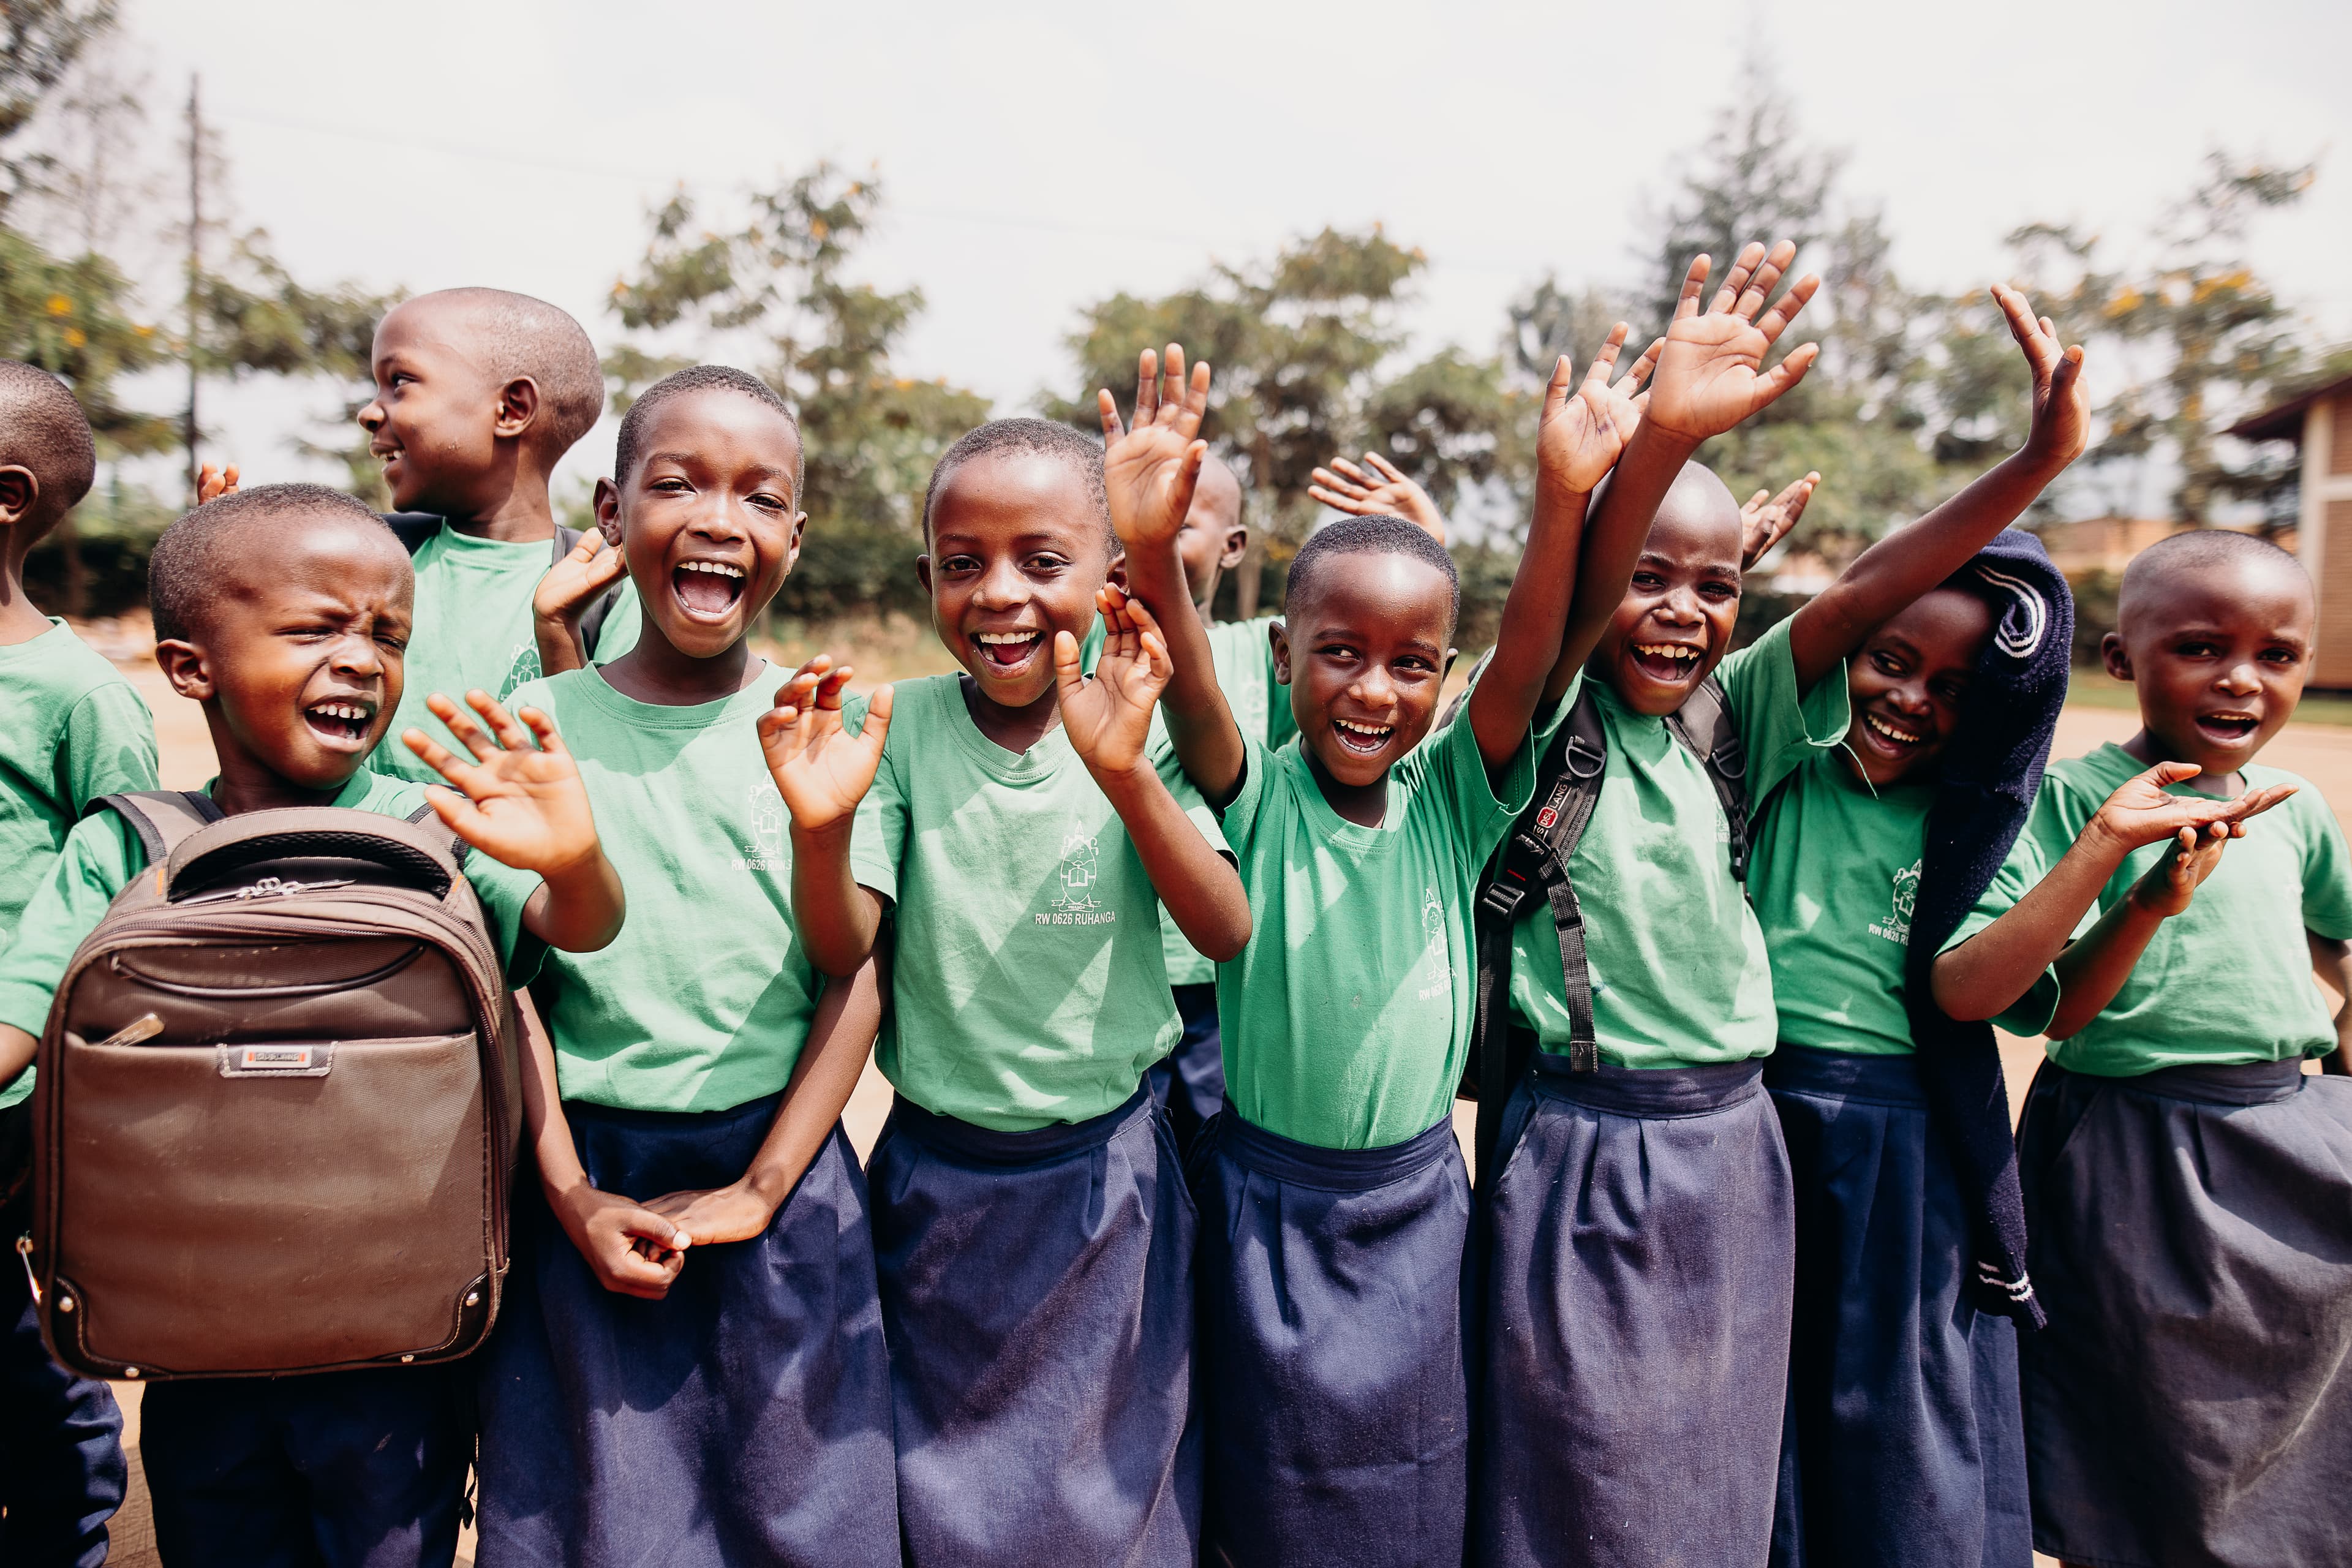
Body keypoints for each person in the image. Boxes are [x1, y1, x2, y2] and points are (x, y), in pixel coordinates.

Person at [0, 481, 625, 1568]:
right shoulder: (127, 848)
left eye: (389, 634)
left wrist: (572, 859)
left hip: (399, 1347)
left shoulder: (433, 830)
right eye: (315, 628)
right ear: (191, 668)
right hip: (198, 1343)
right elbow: (15, 1028)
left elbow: (581, 929)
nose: (362, 659)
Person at [1112, 331, 1646, 1566]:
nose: (1371, 690)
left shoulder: (1456, 797)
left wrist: (1564, 494)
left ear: (1444, 681)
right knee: (1257, 1476)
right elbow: (1190, 682)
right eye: (1339, 653)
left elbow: (1533, 644)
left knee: (1407, 1485)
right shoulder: (1253, 789)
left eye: (1411, 664)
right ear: (1283, 658)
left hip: (1412, 1203)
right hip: (1262, 1200)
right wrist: (1150, 549)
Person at [760, 415, 1246, 1566]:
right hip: (942, 1186)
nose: (1002, 596)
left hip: (1113, 1180)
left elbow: (1224, 930)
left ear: (1111, 576)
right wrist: (820, 831)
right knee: (944, 1484)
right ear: (927, 576)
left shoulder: (1141, 719)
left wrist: (1123, 771)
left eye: (1043, 561)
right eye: (964, 564)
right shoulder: (902, 727)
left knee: (1116, 1488)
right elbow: (846, 950)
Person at [473, 366, 900, 1566]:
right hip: (586, 1176)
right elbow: (509, 992)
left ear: (796, 537)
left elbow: (851, 973)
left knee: (809, 1510)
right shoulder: (537, 726)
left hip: (787, 1178)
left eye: (761, 497)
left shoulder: (831, 724)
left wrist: (765, 1188)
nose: (721, 519)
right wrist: (570, 1195)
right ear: (608, 515)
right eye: (677, 484)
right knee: (603, 1520)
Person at [1472, 241, 1839, 1568]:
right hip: (1578, 1140)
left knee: (1716, 1469)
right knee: (1572, 1467)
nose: (1681, 611)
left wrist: (2030, 466)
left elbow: (1863, 594)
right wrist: (1651, 448)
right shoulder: (1539, 722)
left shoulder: (1727, 724)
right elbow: (1554, 619)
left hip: (1736, 1149)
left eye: (1717, 583)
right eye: (1651, 574)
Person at [1746, 287, 2094, 1568]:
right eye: (1894, 660)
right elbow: (1845, 594)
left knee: (1895, 1402)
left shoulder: (1980, 835)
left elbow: (1996, 995)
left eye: (1955, 687)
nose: (1910, 698)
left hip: (1906, 1142)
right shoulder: (1785, 763)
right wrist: (2034, 461)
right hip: (1762, 1117)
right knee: (1763, 1398)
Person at [1929, 527, 2348, 1568]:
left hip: (2282, 1129)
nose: (2242, 681)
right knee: (2149, 1398)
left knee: (2284, 1392)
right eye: (2202, 647)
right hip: (2128, 1143)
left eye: (2277, 655)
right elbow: (2052, 1011)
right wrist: (2139, 890)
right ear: (2121, 660)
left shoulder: (2295, 810)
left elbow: (2340, 943)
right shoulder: (2075, 800)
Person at [0, 360, 151, 1568]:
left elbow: (128, 898)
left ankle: (67, 1533)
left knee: (35, 1342)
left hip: (18, 1093)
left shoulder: (77, 694)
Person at [356, 287, 638, 785]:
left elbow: (614, 769)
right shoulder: (372, 555)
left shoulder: (607, 587)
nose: (370, 412)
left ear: (512, 408)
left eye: (399, 382)